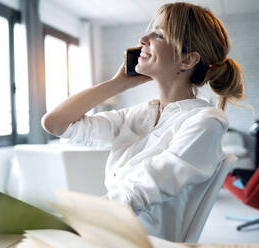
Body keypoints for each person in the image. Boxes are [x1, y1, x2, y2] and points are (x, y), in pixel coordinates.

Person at [41, 2, 245, 241]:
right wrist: (117, 83)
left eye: (158, 34)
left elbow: (140, 190)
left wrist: (78, 220)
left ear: (187, 60)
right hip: (111, 231)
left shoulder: (206, 121)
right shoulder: (140, 115)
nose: (143, 38)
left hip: (137, 239)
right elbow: (55, 124)